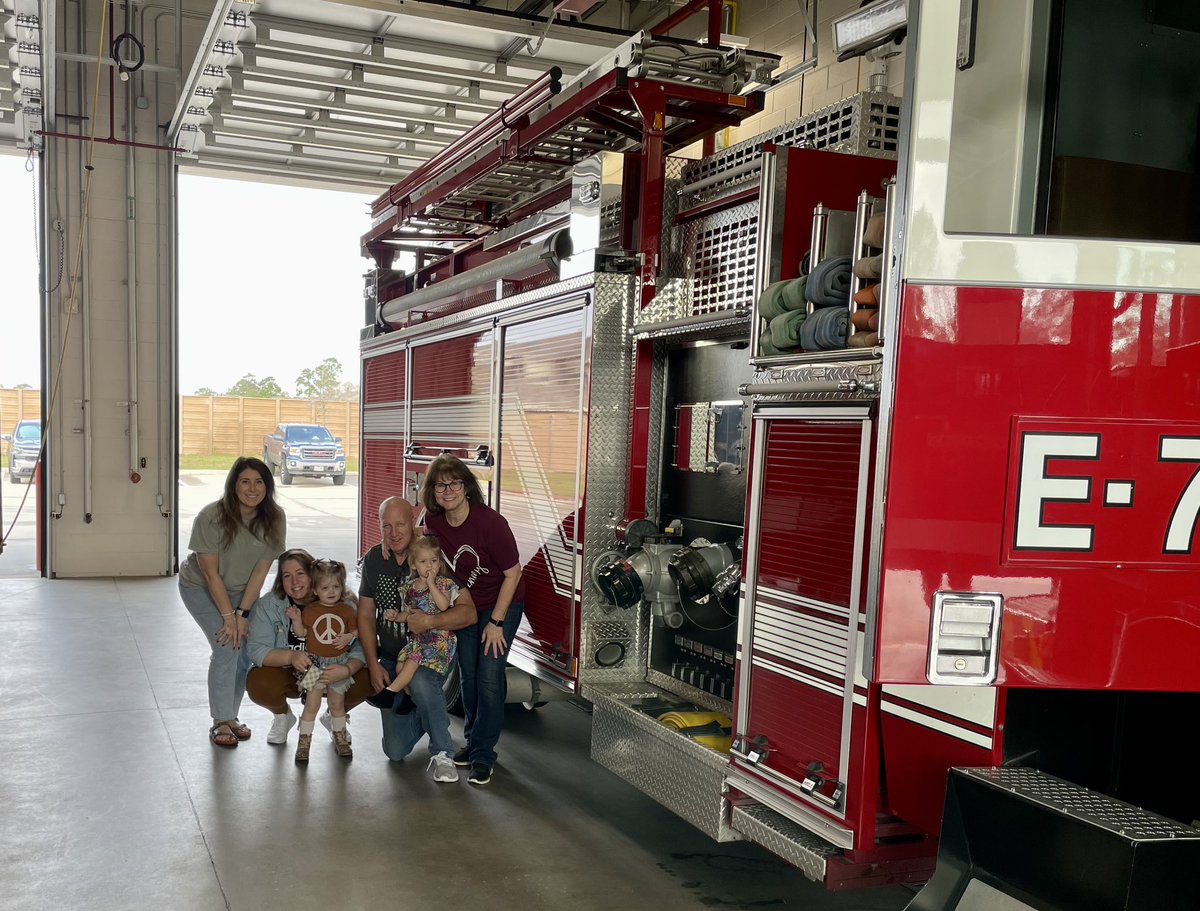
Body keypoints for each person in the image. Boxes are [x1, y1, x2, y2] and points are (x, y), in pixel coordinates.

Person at [421, 454, 525, 787]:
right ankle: (471, 741)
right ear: (433, 491)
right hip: (467, 606)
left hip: (502, 604)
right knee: (467, 676)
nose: (447, 490)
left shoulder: (490, 523)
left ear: (466, 487)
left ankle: (483, 755)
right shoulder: (434, 523)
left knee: (489, 677)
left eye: (454, 483)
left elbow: (513, 574)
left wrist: (495, 623)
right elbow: (420, 548)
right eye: (440, 484)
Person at [358, 496, 475, 782]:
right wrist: (373, 664)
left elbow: (468, 613)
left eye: (400, 524)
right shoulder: (375, 559)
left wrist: (430, 621)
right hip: (393, 657)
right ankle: (427, 709)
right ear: (379, 526)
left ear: (413, 523)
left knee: (421, 682)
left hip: (430, 653)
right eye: (387, 526)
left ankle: (443, 753)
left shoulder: (429, 555)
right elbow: (364, 615)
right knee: (395, 751)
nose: (394, 533)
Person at [179, 456, 286, 748]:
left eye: (259, 482)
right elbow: (210, 574)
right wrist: (229, 617)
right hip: (199, 586)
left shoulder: (274, 518)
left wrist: (243, 613)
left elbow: (261, 572)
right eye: (245, 481)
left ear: (267, 486)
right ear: (233, 485)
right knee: (227, 645)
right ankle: (219, 721)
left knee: (243, 651)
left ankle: (231, 717)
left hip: (241, 592)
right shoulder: (211, 516)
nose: (252, 489)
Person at [246, 549, 373, 746]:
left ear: (313, 577)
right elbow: (255, 649)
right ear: (280, 580)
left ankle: (335, 714)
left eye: (300, 574)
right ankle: (282, 716)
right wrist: (291, 657)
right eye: (287, 576)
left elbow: (363, 645)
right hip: (292, 675)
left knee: (368, 677)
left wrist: (347, 669)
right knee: (258, 681)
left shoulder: (344, 605)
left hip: (333, 671)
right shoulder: (269, 605)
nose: (294, 582)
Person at [293, 559, 358, 762]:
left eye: (336, 587)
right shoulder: (310, 610)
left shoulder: (347, 610)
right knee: (311, 705)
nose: (331, 591)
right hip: (314, 664)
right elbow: (302, 633)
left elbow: (356, 630)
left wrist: (350, 636)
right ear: (315, 590)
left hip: (338, 662)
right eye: (325, 587)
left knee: (337, 704)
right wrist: (296, 619)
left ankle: (339, 736)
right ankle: (304, 741)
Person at [382, 535, 460, 701]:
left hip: (438, 639)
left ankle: (389, 693)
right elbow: (410, 615)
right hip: (419, 639)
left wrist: (431, 584)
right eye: (423, 562)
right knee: (400, 667)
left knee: (412, 660)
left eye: (433, 561)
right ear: (414, 565)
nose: (429, 566)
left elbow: (443, 606)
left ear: (439, 563)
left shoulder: (443, 584)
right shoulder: (410, 589)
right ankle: (411, 699)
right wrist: (396, 617)